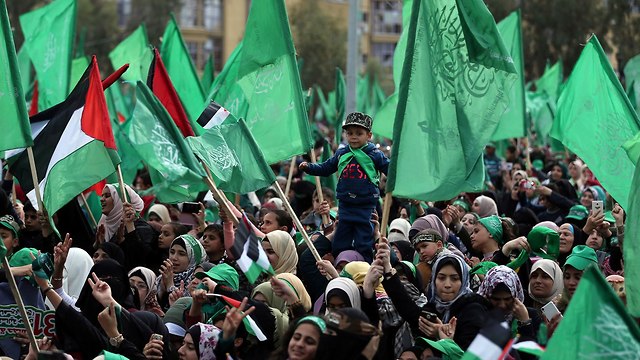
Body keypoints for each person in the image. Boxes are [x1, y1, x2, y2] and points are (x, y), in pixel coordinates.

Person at [299, 112, 390, 262]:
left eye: (359, 133)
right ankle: (339, 266)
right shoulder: (341, 153)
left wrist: (399, 172)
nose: (353, 137)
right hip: (346, 206)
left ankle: (365, 268)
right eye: (350, 133)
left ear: (369, 135)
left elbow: (390, 170)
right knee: (341, 239)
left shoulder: (375, 154)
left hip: (365, 207)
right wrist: (309, 167)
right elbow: (325, 168)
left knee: (364, 241)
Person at [477, 266, 541, 341]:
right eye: (496, 299)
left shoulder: (531, 316)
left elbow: (531, 351)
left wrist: (525, 323)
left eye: (507, 299)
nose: (502, 305)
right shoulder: (477, 315)